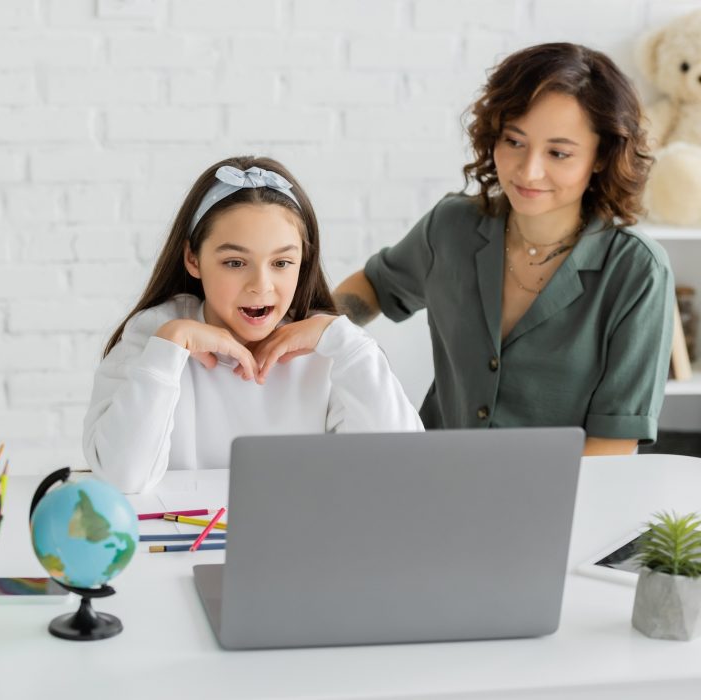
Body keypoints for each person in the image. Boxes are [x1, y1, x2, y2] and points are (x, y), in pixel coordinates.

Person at [334, 43, 674, 457]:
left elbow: (613, 443)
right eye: (514, 142)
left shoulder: (637, 271)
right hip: (434, 479)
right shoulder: (451, 227)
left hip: (559, 501)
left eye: (558, 153)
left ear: (601, 156)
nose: (528, 170)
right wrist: (309, 332)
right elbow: (374, 286)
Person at [83, 156, 422, 493]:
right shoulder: (153, 335)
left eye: (282, 262)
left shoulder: (327, 349)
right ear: (193, 259)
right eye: (235, 262)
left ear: (302, 263)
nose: (261, 285)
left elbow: (403, 469)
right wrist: (169, 346)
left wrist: (348, 342)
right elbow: (120, 477)